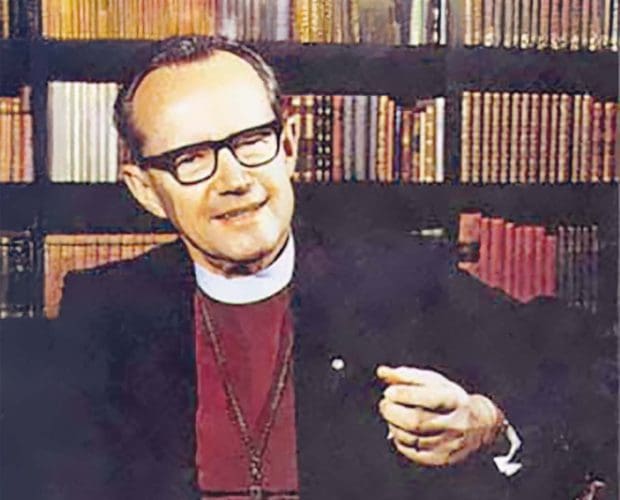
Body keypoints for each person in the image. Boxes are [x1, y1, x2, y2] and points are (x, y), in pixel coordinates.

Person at [47, 36, 616, 500]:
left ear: (289, 146)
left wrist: (490, 426)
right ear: (146, 190)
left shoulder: (402, 279)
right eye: (191, 158)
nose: (235, 180)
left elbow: (591, 371)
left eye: (252, 141)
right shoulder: (104, 311)